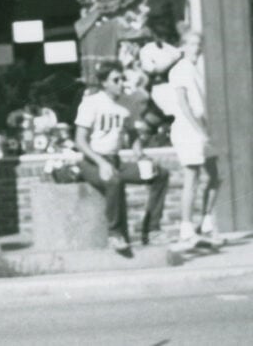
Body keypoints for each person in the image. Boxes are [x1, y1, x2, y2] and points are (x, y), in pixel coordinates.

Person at [75, 61, 171, 255]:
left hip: (115, 160)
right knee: (114, 180)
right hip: (92, 161)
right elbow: (80, 140)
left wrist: (141, 156)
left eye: (122, 79)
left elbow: (132, 135)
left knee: (160, 173)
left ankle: (151, 229)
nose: (121, 83)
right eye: (115, 79)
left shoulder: (124, 106)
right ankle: (115, 234)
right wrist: (101, 163)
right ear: (104, 83)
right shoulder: (91, 103)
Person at [146, 34, 221, 243]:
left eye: (199, 44)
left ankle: (205, 224)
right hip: (187, 128)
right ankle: (186, 229)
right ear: (183, 46)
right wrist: (200, 131)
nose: (196, 48)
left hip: (199, 126)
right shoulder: (179, 70)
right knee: (192, 177)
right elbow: (183, 103)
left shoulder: (195, 69)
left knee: (216, 174)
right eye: (192, 44)